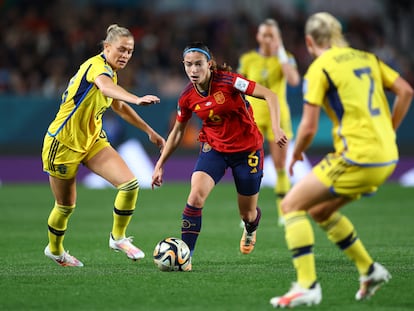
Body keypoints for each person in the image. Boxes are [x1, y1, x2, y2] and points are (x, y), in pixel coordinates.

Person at [269, 12, 413, 308]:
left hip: (357, 156)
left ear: (309, 42)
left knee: (291, 205)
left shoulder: (319, 69)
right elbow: (406, 91)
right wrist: (389, 130)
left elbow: (308, 127)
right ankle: (370, 270)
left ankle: (307, 285)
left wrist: (296, 154)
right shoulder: (367, 58)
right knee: (320, 211)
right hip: (387, 157)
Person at [151, 42, 287, 270]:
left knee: (247, 213)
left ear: (209, 64)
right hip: (214, 148)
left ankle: (251, 227)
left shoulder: (230, 81)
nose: (193, 70)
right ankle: (186, 256)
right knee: (195, 197)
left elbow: (270, 95)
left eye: (198, 64)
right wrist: (160, 164)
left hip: (247, 150)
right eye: (188, 65)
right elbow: (177, 132)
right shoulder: (187, 97)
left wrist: (276, 127)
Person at [41, 24, 166, 267]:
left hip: (92, 140)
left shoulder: (111, 71)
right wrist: (137, 98)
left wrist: (149, 131)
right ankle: (55, 250)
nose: (126, 56)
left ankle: (118, 238)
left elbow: (117, 105)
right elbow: (107, 88)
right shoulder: (96, 67)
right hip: (63, 143)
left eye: (130, 51)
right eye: (121, 49)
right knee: (65, 207)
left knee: (129, 185)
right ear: (107, 47)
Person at [238, 18, 300, 226]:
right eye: (264, 34)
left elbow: (293, 80)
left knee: (280, 165)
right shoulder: (248, 59)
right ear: (258, 36)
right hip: (252, 118)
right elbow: (237, 84)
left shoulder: (286, 58)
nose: (267, 39)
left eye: (272, 35)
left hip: (278, 116)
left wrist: (281, 51)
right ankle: (248, 212)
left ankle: (285, 211)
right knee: (248, 164)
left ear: (278, 38)